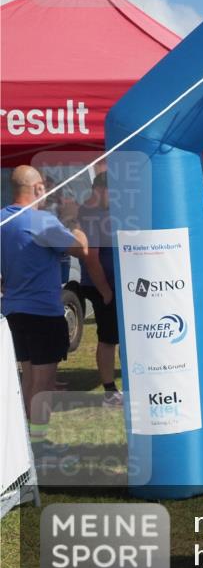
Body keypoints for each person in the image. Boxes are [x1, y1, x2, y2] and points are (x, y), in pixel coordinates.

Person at [1, 166, 94, 449]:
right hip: (42, 311)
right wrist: (73, 219)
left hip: (14, 311)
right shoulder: (41, 221)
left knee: (29, 377)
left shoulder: (3, 218)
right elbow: (82, 249)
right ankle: (40, 443)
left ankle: (29, 443)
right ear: (38, 188)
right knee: (44, 383)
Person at [77, 172, 123, 407]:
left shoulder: (103, 213)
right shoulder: (91, 215)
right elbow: (91, 257)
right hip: (103, 286)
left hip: (114, 285)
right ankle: (109, 391)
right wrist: (105, 291)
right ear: (100, 190)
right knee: (108, 338)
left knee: (115, 336)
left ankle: (114, 388)